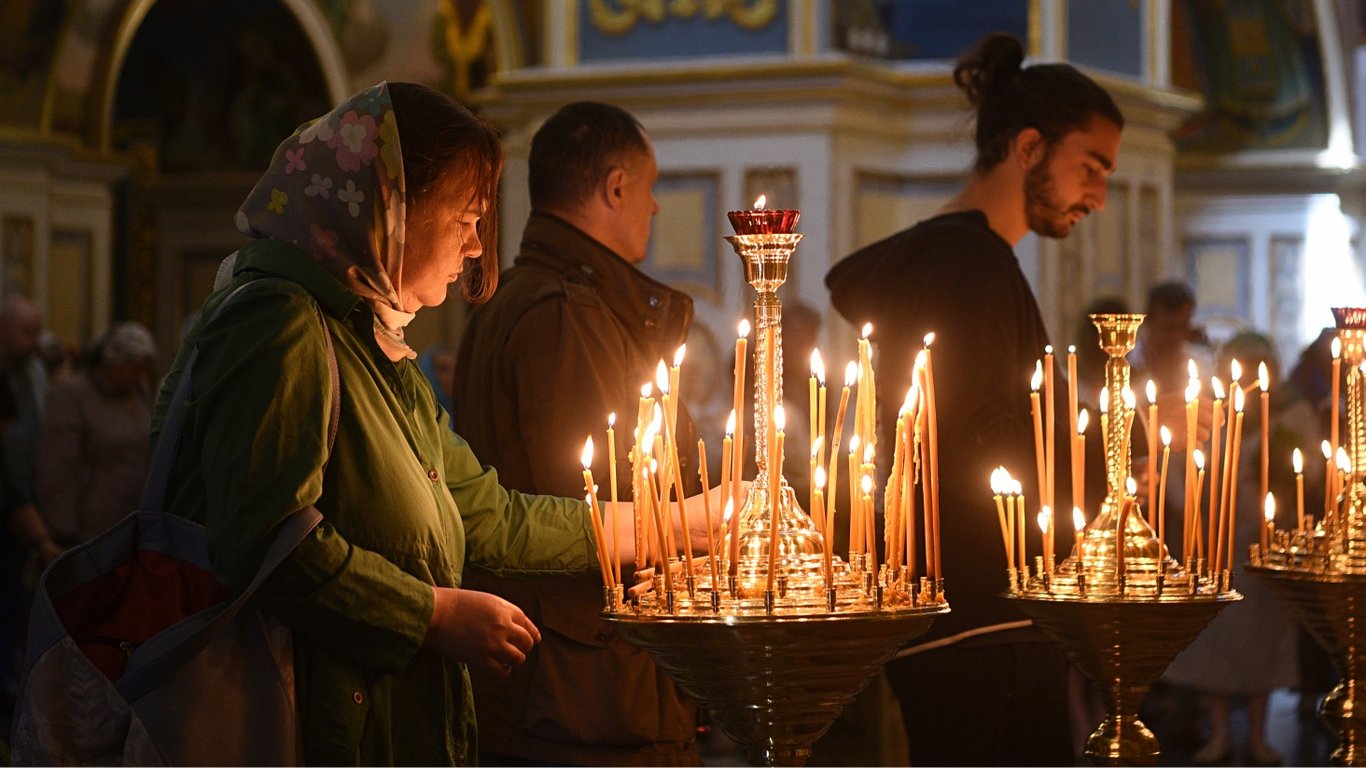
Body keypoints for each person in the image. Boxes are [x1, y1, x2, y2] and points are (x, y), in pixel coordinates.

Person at [153, 82, 717, 766]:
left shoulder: (375, 348)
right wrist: (433, 616)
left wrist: (677, 523)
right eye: (466, 218)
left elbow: (491, 517)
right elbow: (269, 545)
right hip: (296, 729)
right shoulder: (278, 324)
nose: (477, 246)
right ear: (394, 207)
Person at [825, 32, 1121, 765]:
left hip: (958, 619)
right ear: (1028, 148)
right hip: (988, 624)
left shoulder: (951, 259)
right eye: (1091, 166)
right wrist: (1121, 453)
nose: (1098, 195)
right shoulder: (970, 267)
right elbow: (984, 449)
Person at [452, 101, 702, 766]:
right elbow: (595, 498)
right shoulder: (566, 312)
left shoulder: (520, 294)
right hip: (584, 691)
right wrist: (698, 525)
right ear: (616, 187)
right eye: (649, 189)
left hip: (566, 684)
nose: (654, 208)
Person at [1162, 331, 1298, 766]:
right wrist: (1190, 507)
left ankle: (1258, 735)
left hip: (1261, 547)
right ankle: (1219, 733)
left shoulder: (1283, 424)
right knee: (1216, 639)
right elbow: (1181, 472)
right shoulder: (1208, 420)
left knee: (1262, 639)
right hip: (1213, 544)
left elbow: (1302, 476)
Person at [36, 322, 159, 549]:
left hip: (131, 523)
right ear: (112, 362)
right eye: (134, 367)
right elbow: (58, 467)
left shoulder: (138, 392)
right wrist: (62, 530)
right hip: (90, 528)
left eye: (144, 368)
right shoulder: (71, 394)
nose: (140, 374)